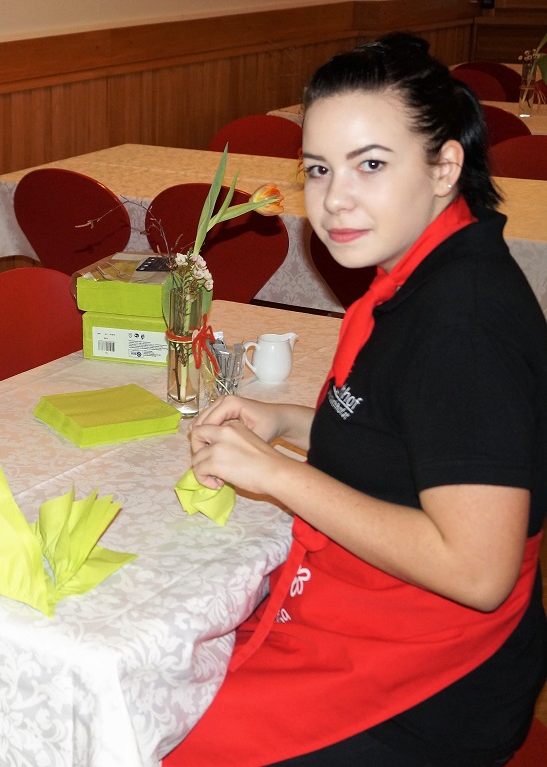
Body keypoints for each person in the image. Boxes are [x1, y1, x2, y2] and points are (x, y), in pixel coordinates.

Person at [165, 33, 547, 767]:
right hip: (380, 615)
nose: (334, 199)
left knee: (168, 734)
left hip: (437, 684)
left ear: (445, 167)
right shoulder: (424, 267)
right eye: (318, 168)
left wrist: (280, 474)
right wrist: (285, 421)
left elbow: (477, 572)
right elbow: (404, 437)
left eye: (370, 164)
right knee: (164, 677)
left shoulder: (464, 324)